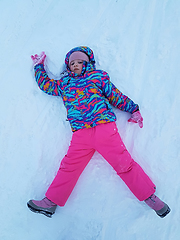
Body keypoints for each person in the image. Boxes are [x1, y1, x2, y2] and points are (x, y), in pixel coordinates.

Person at [27, 46, 170, 218]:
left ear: (87, 63)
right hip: (81, 135)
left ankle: (150, 198)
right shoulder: (65, 84)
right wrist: (38, 67)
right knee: (69, 167)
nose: (75, 65)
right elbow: (47, 86)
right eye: (72, 63)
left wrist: (134, 109)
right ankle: (50, 203)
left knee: (124, 164)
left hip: (104, 129)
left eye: (80, 62)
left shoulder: (98, 77)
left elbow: (115, 96)